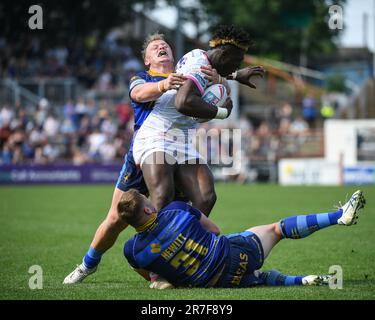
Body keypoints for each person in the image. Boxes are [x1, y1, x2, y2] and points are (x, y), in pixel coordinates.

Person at [63, 33, 220, 284]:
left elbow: (204, 112)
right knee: (115, 219)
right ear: (147, 60)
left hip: (179, 148)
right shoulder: (142, 78)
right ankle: (87, 265)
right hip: (144, 153)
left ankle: (177, 258)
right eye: (155, 47)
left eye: (165, 45)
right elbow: (138, 94)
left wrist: (216, 84)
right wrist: (164, 85)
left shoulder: (192, 79)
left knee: (195, 199)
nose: (161, 47)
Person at [132, 25, 264, 218]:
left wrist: (235, 76)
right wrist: (221, 112)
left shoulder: (200, 60)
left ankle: (184, 239)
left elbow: (210, 73)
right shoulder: (195, 64)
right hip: (157, 138)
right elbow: (183, 103)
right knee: (162, 198)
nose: (237, 66)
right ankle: (151, 245)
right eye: (237, 62)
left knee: (206, 196)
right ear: (225, 55)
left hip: (182, 140)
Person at [119, 189, 366, 289]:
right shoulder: (175, 209)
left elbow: (152, 275)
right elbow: (214, 230)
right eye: (147, 199)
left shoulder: (132, 250)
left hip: (215, 284)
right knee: (277, 229)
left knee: (260, 280)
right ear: (148, 210)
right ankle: (338, 216)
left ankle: (303, 280)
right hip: (233, 254)